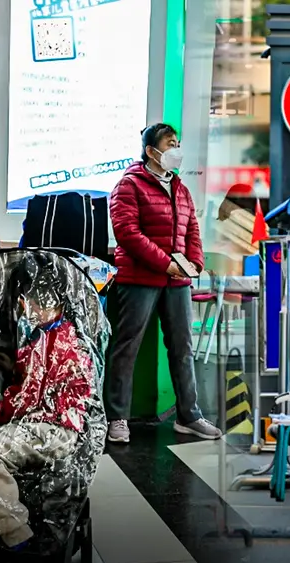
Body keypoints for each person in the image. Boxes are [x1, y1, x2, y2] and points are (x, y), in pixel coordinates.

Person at [0, 262, 97, 563]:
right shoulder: (54, 335)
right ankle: (3, 534)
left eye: (27, 299)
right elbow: (34, 384)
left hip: (52, 429)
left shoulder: (56, 343)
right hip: (51, 425)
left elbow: (28, 401)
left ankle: (20, 544)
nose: (23, 306)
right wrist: (15, 365)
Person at [106, 123, 222, 443]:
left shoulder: (180, 188)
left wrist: (194, 263)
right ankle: (117, 418)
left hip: (177, 282)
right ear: (151, 151)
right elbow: (127, 233)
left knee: (182, 348)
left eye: (177, 142)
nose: (176, 149)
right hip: (139, 278)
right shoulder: (129, 185)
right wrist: (165, 263)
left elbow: (192, 230)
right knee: (127, 348)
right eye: (170, 143)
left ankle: (189, 416)